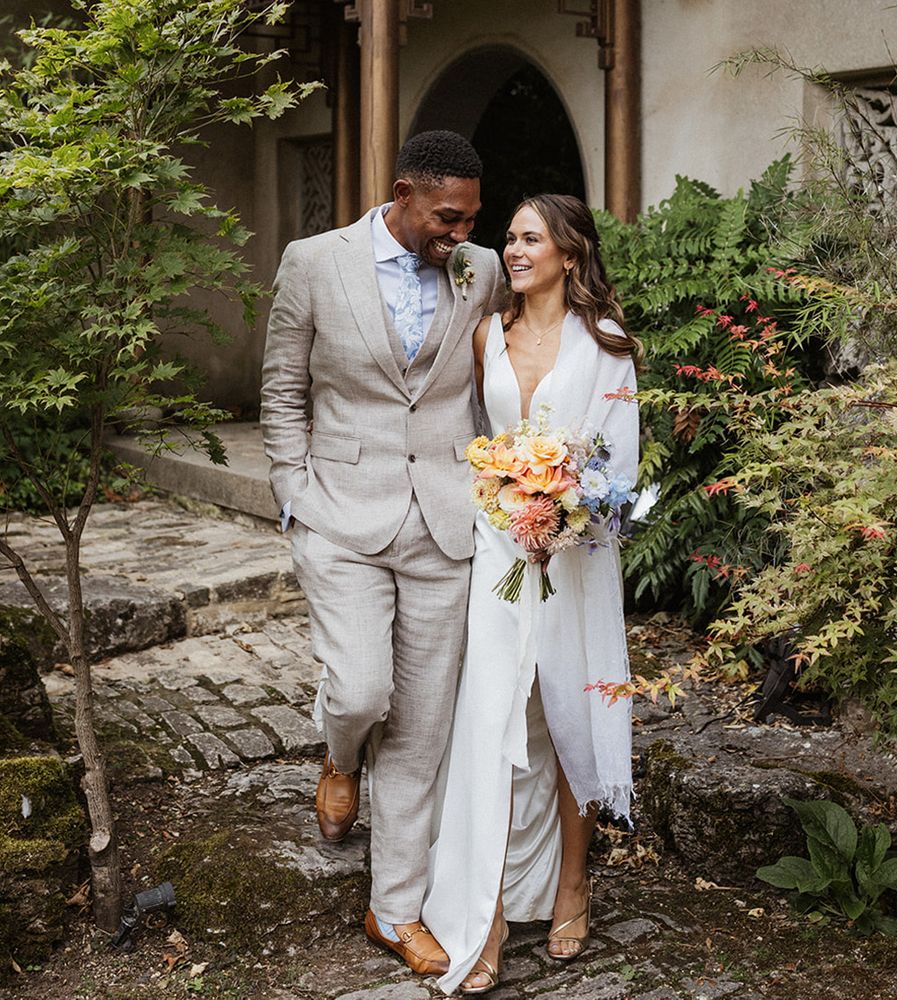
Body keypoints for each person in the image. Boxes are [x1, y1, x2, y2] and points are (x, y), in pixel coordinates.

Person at [260, 130, 506, 977]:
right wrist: (293, 494)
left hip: (446, 520)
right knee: (362, 688)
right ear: (402, 193)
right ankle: (337, 755)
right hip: (340, 514)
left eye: (470, 221)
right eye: (447, 217)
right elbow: (283, 389)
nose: (461, 235)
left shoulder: (480, 271)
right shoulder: (313, 262)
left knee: (425, 727)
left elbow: (495, 380)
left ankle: (393, 909)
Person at [422, 193, 642, 994]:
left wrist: (571, 519)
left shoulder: (609, 346)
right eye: (509, 238)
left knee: (568, 710)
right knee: (493, 715)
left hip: (577, 558)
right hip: (499, 548)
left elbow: (620, 471)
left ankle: (571, 886)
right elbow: (473, 443)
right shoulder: (488, 333)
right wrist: (509, 502)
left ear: (570, 253)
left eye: (529, 238)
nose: (512, 250)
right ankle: (481, 915)